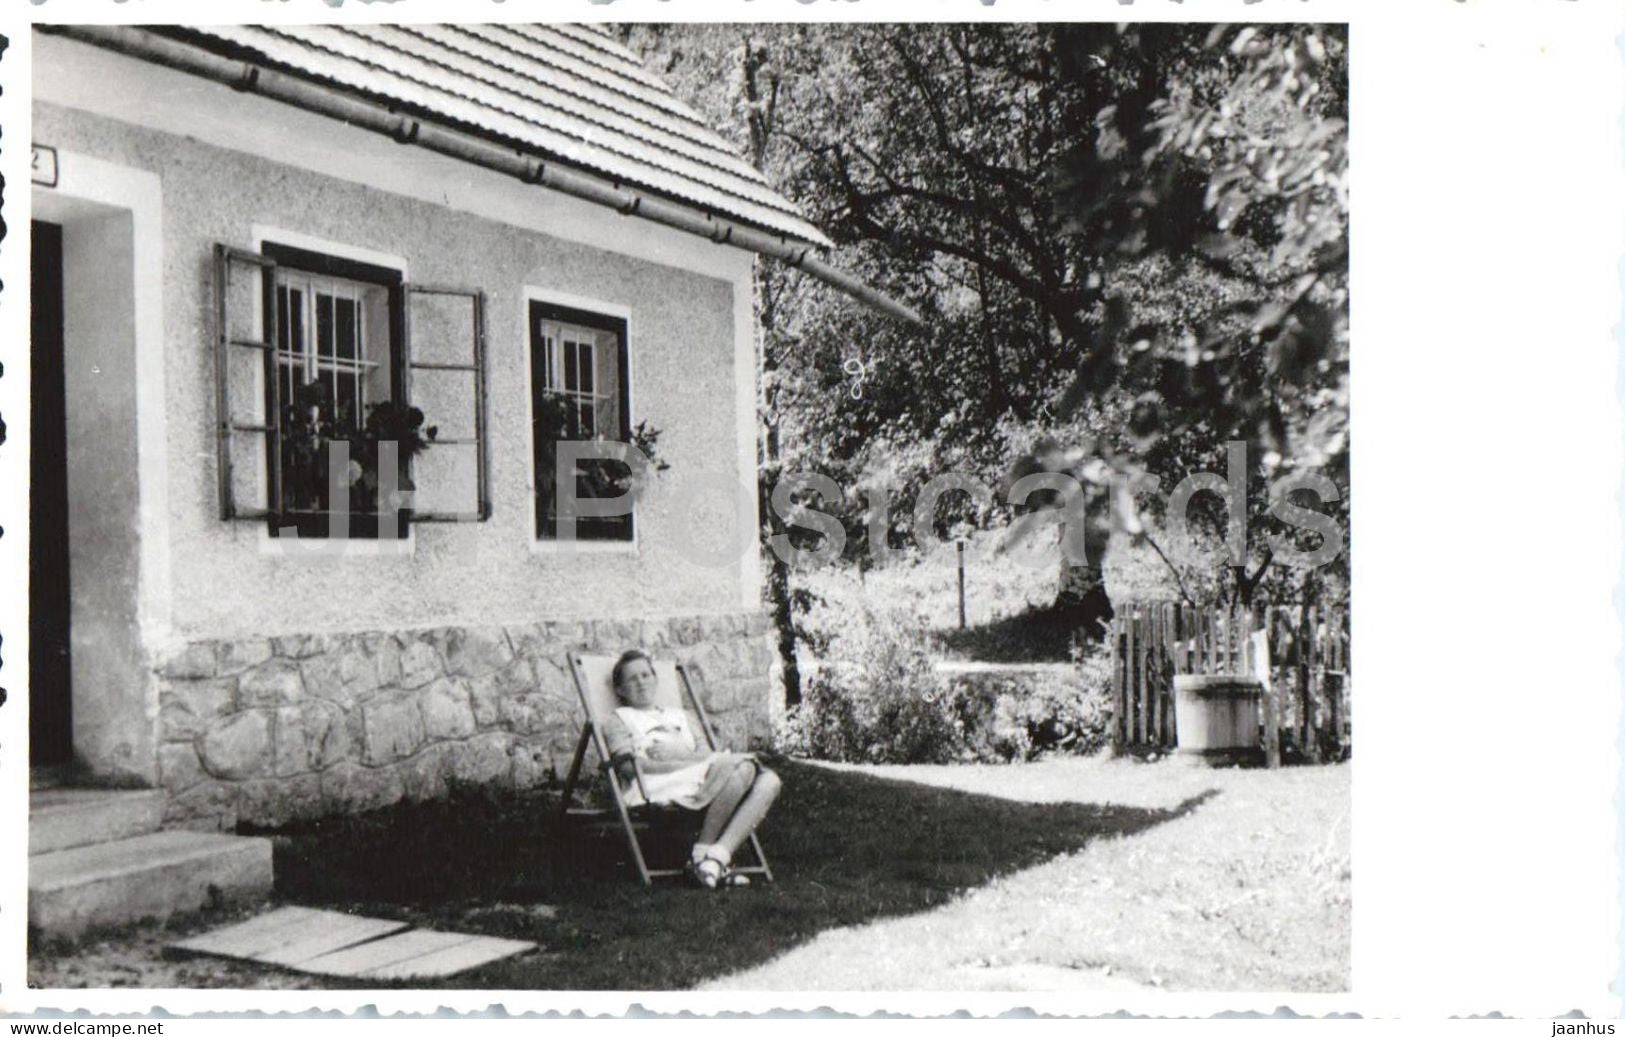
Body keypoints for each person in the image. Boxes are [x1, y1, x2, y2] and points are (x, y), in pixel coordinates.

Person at [601, 649, 781, 889]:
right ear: (620, 690)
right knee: (744, 766)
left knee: (771, 781)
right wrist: (684, 763)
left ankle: (711, 860)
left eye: (645, 675)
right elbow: (628, 768)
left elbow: (707, 754)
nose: (641, 683)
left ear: (655, 679)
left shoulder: (682, 715)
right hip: (658, 784)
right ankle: (708, 857)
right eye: (632, 679)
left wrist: (680, 755)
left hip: (703, 776)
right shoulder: (619, 719)